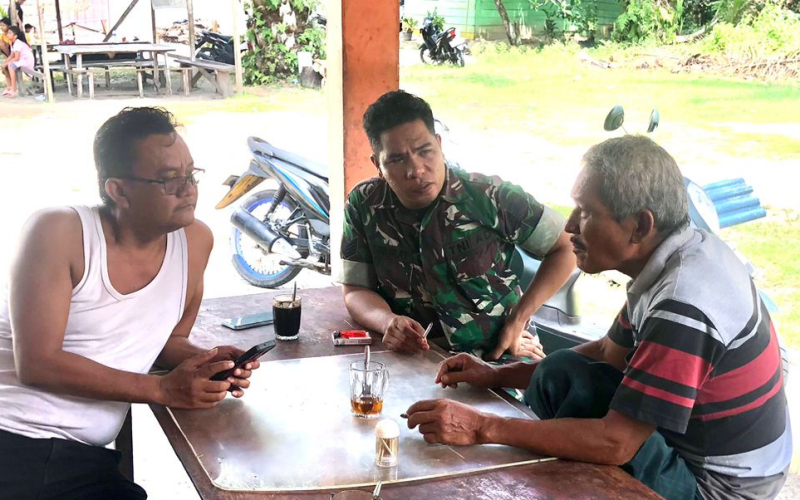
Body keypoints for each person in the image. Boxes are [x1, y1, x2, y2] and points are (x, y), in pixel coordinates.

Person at [405, 135, 791, 500]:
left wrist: (481, 427)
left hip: (718, 486)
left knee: (585, 433)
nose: (570, 226)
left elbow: (616, 443)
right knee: (561, 370)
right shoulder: (678, 255)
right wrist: (496, 375)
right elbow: (608, 351)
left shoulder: (683, 304)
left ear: (640, 226)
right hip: (691, 443)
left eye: (586, 212)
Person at [0, 107, 261, 499]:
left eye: (191, 174)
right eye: (168, 179)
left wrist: (210, 361)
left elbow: (166, 340)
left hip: (79, 458)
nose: (188, 189)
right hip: (15, 440)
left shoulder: (195, 242)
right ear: (117, 190)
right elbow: (37, 364)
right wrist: (162, 391)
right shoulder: (59, 232)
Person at [338, 90, 575, 360]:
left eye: (424, 151)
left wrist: (519, 318)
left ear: (439, 144)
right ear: (378, 165)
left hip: (498, 354)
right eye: (397, 159)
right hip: (417, 357)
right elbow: (356, 289)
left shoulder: (489, 196)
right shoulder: (365, 204)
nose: (416, 170)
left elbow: (567, 246)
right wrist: (387, 322)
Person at [1, 25, 33, 97]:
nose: (7, 34)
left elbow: (16, 58)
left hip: (26, 61)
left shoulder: (18, 43)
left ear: (15, 36)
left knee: (10, 66)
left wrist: (7, 63)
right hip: (21, 60)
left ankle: (13, 89)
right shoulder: (12, 43)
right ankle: (9, 87)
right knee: (5, 66)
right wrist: (5, 62)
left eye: (9, 33)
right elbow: (11, 55)